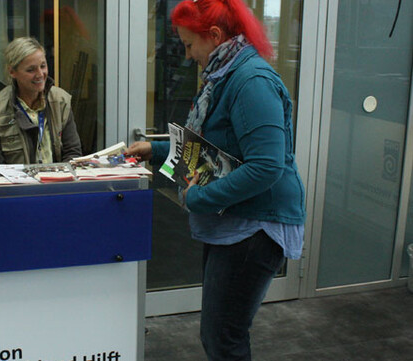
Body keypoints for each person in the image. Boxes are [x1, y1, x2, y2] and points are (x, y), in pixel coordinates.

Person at [127, 1, 305, 360]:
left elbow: (266, 167)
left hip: (256, 227)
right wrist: (157, 150)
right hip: (239, 222)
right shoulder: (227, 75)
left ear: (214, 36)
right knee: (220, 333)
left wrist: (197, 199)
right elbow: (211, 152)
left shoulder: (251, 82)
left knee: (224, 337)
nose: (189, 55)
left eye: (191, 45)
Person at [0, 37, 82, 164]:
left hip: (57, 180)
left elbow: (73, 153)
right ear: (12, 72)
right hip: (17, 183)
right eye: (31, 70)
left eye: (43, 66)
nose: (40, 74)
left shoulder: (61, 101)